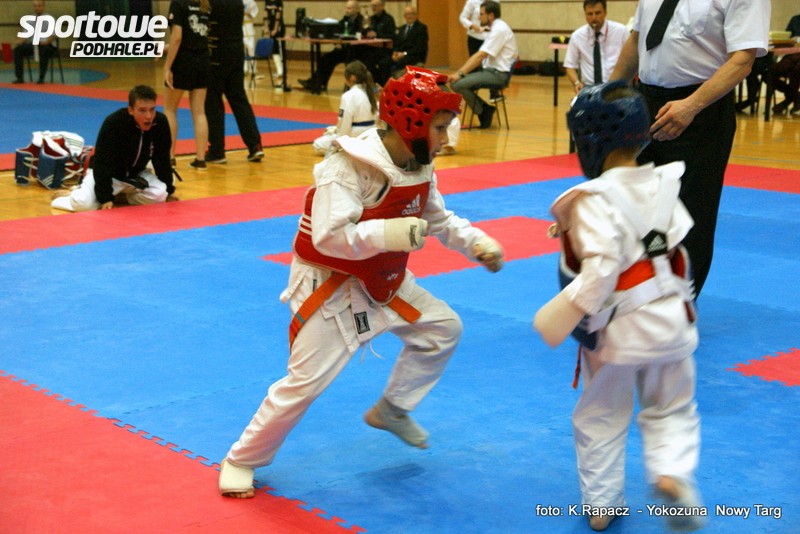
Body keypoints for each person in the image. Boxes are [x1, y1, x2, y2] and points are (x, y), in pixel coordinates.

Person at [217, 66, 505, 498]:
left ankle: (393, 408)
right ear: (412, 123)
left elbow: (439, 220)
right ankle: (242, 458)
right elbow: (328, 237)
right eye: (440, 127)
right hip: (332, 287)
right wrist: (390, 233)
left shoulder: (419, 167)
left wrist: (476, 242)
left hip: (384, 279)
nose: (447, 138)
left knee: (443, 329)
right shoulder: (347, 166)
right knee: (304, 384)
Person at [534, 81, 702, 532]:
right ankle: (671, 473)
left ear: (588, 141)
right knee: (671, 409)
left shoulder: (591, 200)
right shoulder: (665, 184)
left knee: (602, 414)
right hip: (674, 321)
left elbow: (602, 269)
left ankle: (602, 504)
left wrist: (563, 313)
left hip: (619, 328)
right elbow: (678, 255)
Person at [610, 0, 769, 297]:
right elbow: (636, 40)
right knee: (637, 207)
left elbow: (742, 60)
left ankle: (681, 302)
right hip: (645, 102)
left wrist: (691, 106)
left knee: (690, 215)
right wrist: (608, 92)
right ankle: (639, 294)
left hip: (702, 108)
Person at [50, 86, 178, 212]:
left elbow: (162, 160)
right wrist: (105, 198)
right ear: (131, 110)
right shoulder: (114, 123)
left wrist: (169, 191)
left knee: (160, 195)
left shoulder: (160, 123)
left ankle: (119, 197)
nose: (149, 116)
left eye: (152, 109)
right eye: (142, 110)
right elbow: (102, 162)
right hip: (108, 175)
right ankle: (70, 195)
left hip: (135, 175)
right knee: (83, 204)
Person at [205, 0, 265, 164]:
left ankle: (217, 150)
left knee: (213, 102)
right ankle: (255, 145)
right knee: (239, 100)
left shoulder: (211, 3)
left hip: (217, 54)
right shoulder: (238, 2)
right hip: (236, 51)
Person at [448, 1, 518, 129]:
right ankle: (484, 110)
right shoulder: (495, 28)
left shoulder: (499, 30)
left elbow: (480, 56)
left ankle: (483, 111)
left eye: (481, 14)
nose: (479, 17)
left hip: (498, 74)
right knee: (458, 83)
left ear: (491, 15)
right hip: (491, 71)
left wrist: (459, 73)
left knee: (457, 84)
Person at [163, 0, 211, 170]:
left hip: (183, 61)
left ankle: (170, 157)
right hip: (203, 59)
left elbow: (177, 37)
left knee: (169, 110)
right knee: (199, 111)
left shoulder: (178, 3)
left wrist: (167, 66)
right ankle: (201, 159)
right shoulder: (204, 4)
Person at [312, 60, 380, 156]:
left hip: (354, 136)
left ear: (352, 77)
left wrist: (340, 140)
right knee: (331, 132)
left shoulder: (349, 96)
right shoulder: (370, 93)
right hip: (371, 135)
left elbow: (345, 123)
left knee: (318, 144)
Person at [298, 0, 364, 93]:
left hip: (356, 51)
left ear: (357, 9)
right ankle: (317, 83)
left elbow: (359, 36)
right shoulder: (345, 19)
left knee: (346, 61)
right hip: (344, 50)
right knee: (326, 59)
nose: (347, 10)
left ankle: (317, 83)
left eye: (349, 8)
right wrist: (336, 42)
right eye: (346, 8)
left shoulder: (361, 20)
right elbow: (337, 30)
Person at [563, 0, 628, 94]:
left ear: (605, 12)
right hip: (589, 89)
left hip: (616, 88)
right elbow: (570, 66)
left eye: (597, 13)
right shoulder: (577, 36)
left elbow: (632, 60)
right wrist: (577, 83)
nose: (594, 18)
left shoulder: (621, 31)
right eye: (590, 14)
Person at [376, 4, 428, 86]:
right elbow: (397, 43)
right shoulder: (402, 28)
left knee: (398, 65)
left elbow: (419, 47)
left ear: (416, 15)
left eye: (411, 14)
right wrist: (395, 52)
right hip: (400, 55)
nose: (409, 16)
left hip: (413, 56)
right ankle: (385, 87)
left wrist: (404, 54)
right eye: (407, 14)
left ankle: (396, 86)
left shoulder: (421, 28)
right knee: (383, 63)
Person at [13, 0, 58, 85]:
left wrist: (46, 42)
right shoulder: (30, 20)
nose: (37, 8)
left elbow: (53, 35)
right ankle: (19, 78)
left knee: (44, 50)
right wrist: (19, 41)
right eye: (35, 6)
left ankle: (41, 77)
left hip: (48, 45)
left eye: (39, 6)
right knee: (17, 50)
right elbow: (26, 35)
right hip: (34, 45)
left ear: (43, 7)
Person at [771, 13, 800, 116]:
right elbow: (787, 38)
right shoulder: (796, 19)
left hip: (795, 60)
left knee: (797, 69)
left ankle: (788, 101)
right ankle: (796, 97)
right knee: (770, 73)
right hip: (792, 56)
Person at [263, 0, 286, 82]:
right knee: (274, 49)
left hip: (279, 28)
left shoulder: (279, 1)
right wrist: (266, 27)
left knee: (279, 48)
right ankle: (279, 70)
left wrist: (275, 29)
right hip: (271, 26)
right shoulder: (267, 1)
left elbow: (278, 16)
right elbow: (265, 14)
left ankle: (282, 70)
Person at [242, 0, 258, 75]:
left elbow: (253, 14)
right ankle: (244, 69)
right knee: (242, 51)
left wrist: (246, 13)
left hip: (249, 27)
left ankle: (253, 69)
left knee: (251, 49)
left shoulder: (251, 2)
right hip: (241, 28)